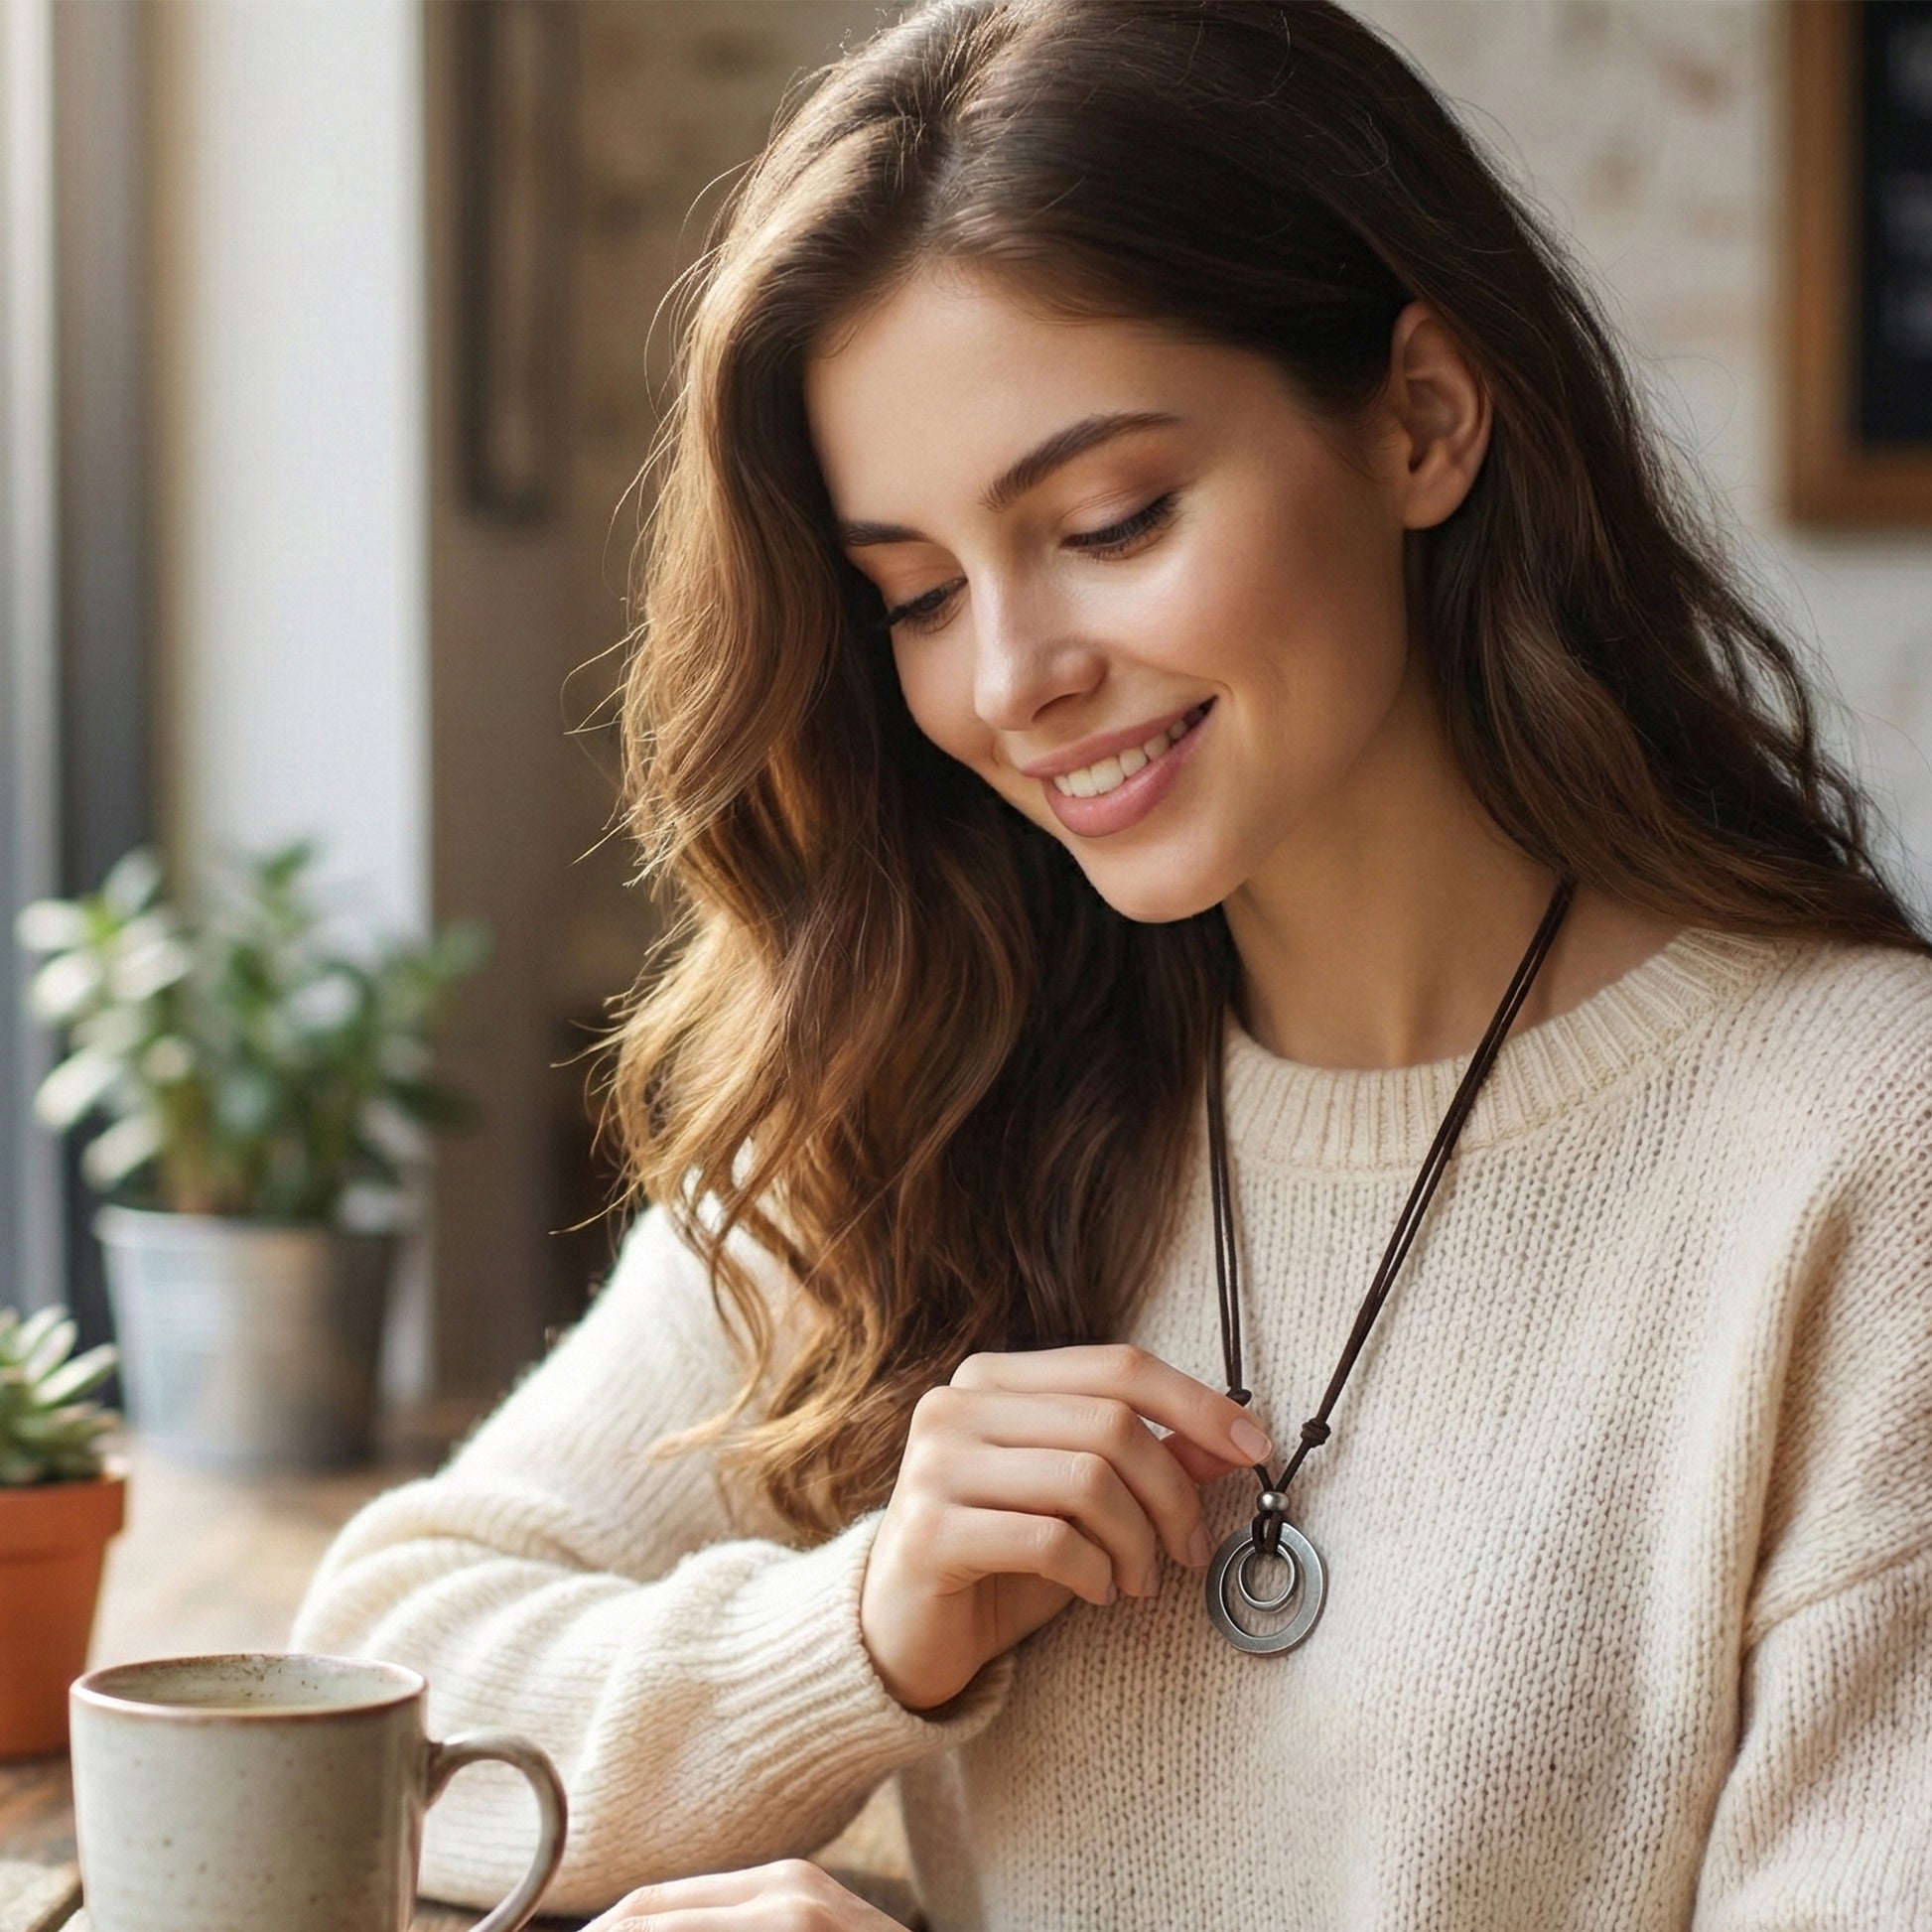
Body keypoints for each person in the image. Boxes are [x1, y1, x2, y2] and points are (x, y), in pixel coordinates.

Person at [289, 2, 1932, 1925]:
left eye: (1109, 519)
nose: (1010, 679)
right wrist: (863, 1628)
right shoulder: (926, 1071)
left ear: (1419, 417)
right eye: (914, 592)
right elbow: (361, 1710)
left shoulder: (1863, 1146)